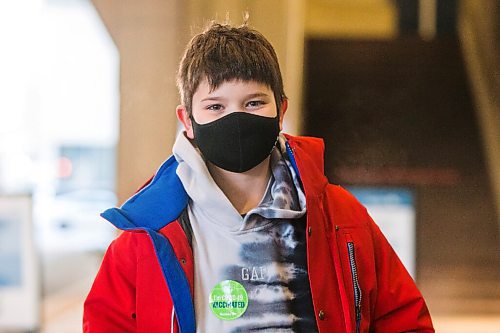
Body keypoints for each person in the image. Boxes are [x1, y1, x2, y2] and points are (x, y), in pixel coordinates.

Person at [83, 21, 434, 333]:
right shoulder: (148, 236)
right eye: (215, 106)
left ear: (281, 111)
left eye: (254, 103)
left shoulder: (341, 219)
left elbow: (403, 320)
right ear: (187, 120)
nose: (236, 119)